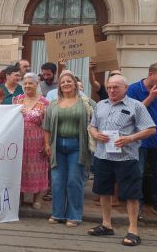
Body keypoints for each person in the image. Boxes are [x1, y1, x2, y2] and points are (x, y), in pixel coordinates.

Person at [88, 75, 156, 246]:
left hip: (126, 157)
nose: (112, 90)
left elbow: (151, 129)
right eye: (109, 87)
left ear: (125, 88)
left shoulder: (136, 106)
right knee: (104, 191)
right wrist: (96, 134)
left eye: (116, 87)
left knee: (131, 194)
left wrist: (130, 138)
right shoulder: (101, 105)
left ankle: (133, 230)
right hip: (103, 156)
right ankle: (106, 224)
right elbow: (92, 125)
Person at [43, 71, 95, 227]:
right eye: (62, 82)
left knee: (74, 181)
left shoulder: (85, 102)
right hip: (57, 146)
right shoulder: (54, 104)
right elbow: (46, 127)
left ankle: (74, 215)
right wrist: (46, 144)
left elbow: (100, 115)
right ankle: (58, 214)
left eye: (68, 81)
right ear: (59, 85)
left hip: (77, 147)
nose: (65, 84)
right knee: (57, 182)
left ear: (75, 84)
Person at [126, 62, 157, 219]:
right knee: (138, 173)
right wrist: (151, 96)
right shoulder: (134, 89)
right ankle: (137, 204)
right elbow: (132, 113)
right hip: (140, 139)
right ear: (151, 74)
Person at [13, 73, 49, 209]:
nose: (27, 86)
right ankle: (20, 196)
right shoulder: (17, 100)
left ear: (36, 84)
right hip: (19, 139)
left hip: (37, 140)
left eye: (30, 83)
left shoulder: (45, 102)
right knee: (19, 168)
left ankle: (37, 198)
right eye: (25, 83)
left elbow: (47, 125)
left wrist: (46, 143)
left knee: (38, 169)